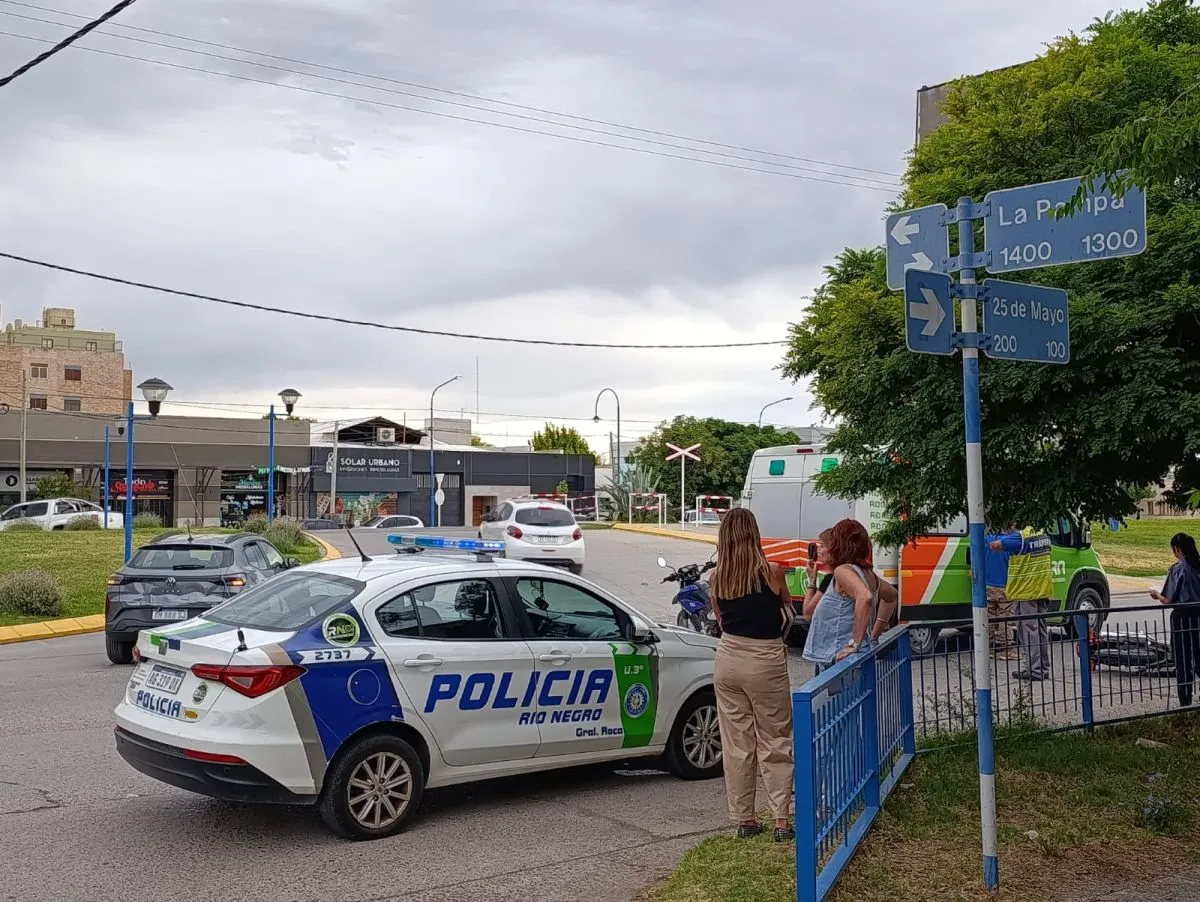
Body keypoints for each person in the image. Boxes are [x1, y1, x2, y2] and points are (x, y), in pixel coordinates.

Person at [707, 507, 795, 843]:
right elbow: (787, 610)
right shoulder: (772, 572)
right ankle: (780, 820)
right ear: (754, 534)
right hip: (765, 657)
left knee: (737, 743)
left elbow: (720, 619)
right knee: (775, 739)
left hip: (728, 657)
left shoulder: (717, 577)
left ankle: (744, 818)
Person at [803, 519, 899, 670]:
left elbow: (864, 596)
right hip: (854, 660)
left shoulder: (843, 571)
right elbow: (891, 596)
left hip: (839, 662)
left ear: (839, 544)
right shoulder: (868, 574)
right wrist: (874, 635)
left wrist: (854, 643)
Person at [1149, 532, 1200, 706]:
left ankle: (1185, 698)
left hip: (1182, 617)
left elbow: (1168, 600)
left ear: (1177, 549)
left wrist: (1156, 594)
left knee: (1182, 657)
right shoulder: (1197, 566)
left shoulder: (1178, 569)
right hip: (1199, 615)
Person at [1006, 527, 1054, 682]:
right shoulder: (1042, 534)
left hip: (1025, 591)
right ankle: (1043, 668)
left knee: (1028, 631)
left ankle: (1034, 670)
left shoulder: (1019, 537)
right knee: (1040, 629)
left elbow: (996, 545)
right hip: (1042, 588)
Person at [986, 524, 1023, 660]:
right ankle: (1004, 649)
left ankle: (988, 648)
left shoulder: (987, 539)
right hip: (1004, 585)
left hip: (987, 584)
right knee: (1004, 618)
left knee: (988, 617)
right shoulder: (1009, 543)